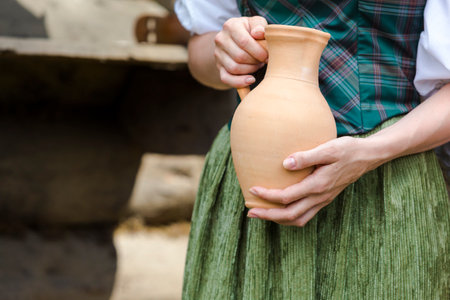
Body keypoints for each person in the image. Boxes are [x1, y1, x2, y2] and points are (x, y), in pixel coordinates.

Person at [175, 0, 450, 298]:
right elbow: (201, 49)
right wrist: (227, 53)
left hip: (388, 182)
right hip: (251, 179)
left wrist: (371, 152)